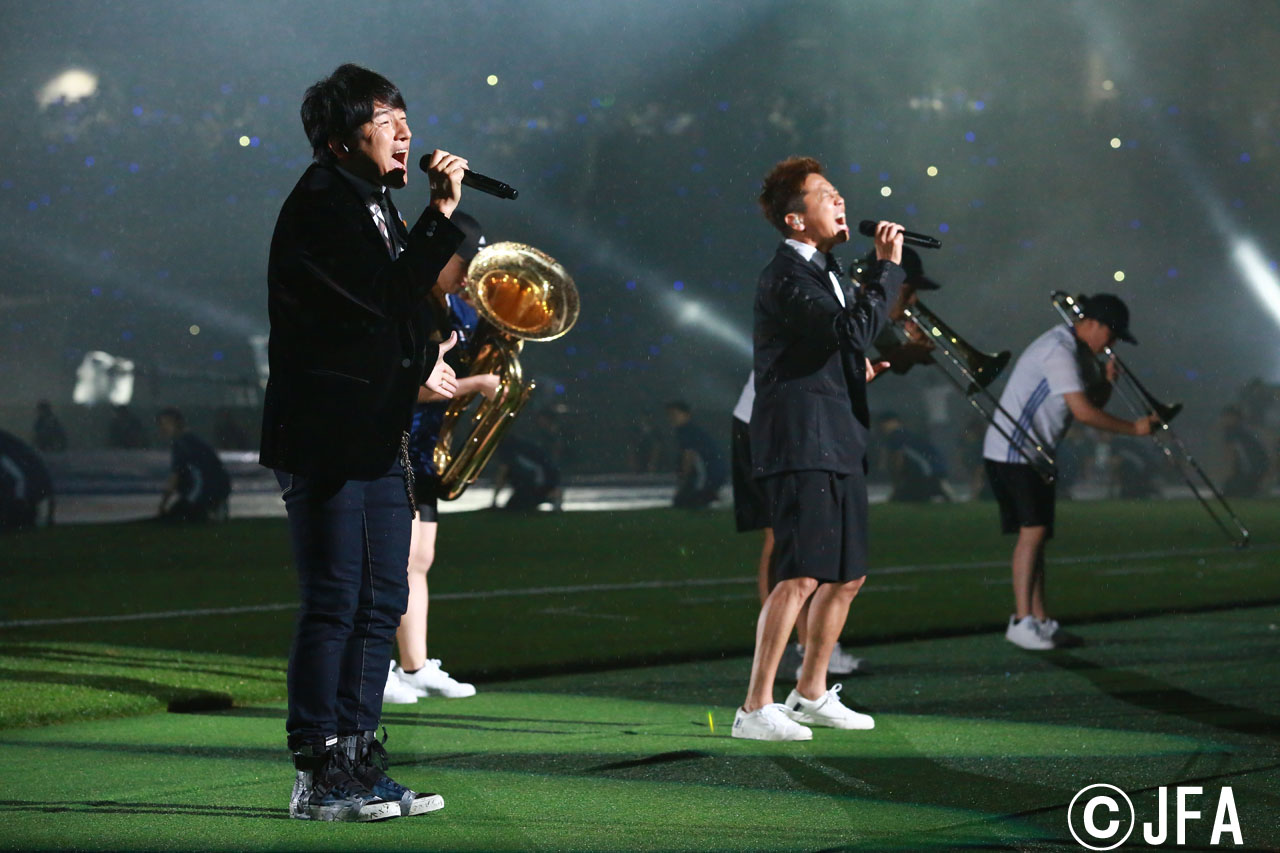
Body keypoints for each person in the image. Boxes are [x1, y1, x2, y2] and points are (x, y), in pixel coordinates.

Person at [259, 63, 469, 822]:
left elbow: (407, 309)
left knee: (380, 598)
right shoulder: (322, 203)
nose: (406, 131)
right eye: (388, 118)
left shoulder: (375, 204)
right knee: (335, 599)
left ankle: (358, 757)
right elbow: (380, 299)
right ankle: (319, 770)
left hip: (374, 430)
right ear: (344, 137)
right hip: (325, 433)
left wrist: (432, 352)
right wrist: (442, 216)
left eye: (405, 116)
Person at [734, 156, 904, 742]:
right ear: (795, 219)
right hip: (800, 438)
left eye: (837, 191)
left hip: (837, 432)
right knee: (801, 573)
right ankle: (755, 707)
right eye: (824, 194)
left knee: (847, 575)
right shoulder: (785, 274)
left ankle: (809, 691)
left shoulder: (827, 270)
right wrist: (884, 272)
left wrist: (855, 376)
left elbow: (838, 347)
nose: (840, 201)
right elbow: (849, 331)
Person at [982, 293, 1159, 651]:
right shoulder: (1059, 350)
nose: (1111, 345)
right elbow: (1084, 414)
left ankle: (1041, 621)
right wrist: (1135, 429)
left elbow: (1089, 403)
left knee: (1038, 536)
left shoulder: (1074, 350)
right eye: (1111, 336)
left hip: (1033, 454)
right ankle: (1021, 622)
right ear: (1095, 325)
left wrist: (1106, 383)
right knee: (1033, 533)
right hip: (1013, 452)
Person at [386, 211, 496, 706]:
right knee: (391, 562)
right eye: (466, 262)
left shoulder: (459, 308)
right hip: (397, 443)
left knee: (419, 560)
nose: (471, 275)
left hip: (425, 451)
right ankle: (379, 668)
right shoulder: (413, 305)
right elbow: (408, 385)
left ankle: (415, 666)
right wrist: (473, 384)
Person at [730, 371, 864, 682]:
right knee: (782, 538)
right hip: (769, 421)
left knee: (805, 542)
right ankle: (798, 648)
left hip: (797, 422)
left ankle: (809, 651)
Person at [155, 407, 231, 522]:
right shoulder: (194, 441)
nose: (163, 428)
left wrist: (163, 504)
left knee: (174, 517)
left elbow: (175, 477)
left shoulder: (181, 444)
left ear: (177, 423)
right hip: (216, 490)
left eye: (166, 424)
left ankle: (206, 510)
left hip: (201, 493)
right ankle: (211, 507)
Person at [875, 411, 951, 502]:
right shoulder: (908, 434)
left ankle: (936, 489)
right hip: (936, 471)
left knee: (904, 498)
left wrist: (897, 480)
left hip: (926, 475)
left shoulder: (895, 436)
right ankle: (939, 490)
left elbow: (898, 460)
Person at [665, 401, 727, 509]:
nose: (672, 418)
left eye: (675, 415)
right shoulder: (691, 430)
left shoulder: (687, 431)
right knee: (684, 501)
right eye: (670, 415)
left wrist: (683, 480)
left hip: (709, 474)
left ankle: (710, 496)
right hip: (714, 474)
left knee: (683, 501)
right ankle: (709, 495)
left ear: (686, 415)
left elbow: (688, 456)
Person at [0, 429, 55, 531]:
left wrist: (19, 501)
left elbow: (18, 478)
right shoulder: (10, 445)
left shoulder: (6, 449)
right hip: (35, 495)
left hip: (31, 499)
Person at [491, 434, 562, 511]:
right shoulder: (521, 445)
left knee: (514, 508)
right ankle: (547, 498)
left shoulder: (507, 448)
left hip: (536, 484)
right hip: (546, 481)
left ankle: (534, 501)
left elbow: (503, 472)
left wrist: (494, 500)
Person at [1219, 405, 1268, 498]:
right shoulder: (1244, 430)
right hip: (1257, 471)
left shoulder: (1232, 431)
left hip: (1250, 472)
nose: (1223, 419)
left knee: (1229, 491)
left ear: (1234, 417)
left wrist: (1228, 474)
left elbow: (1231, 455)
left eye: (1226, 416)